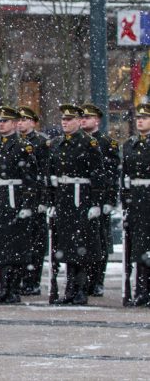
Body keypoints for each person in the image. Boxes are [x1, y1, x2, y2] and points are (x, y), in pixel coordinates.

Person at [46, 103, 109, 306]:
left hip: (81, 199)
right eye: (63, 120)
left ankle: (81, 290)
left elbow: (98, 175)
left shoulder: (88, 143)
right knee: (66, 247)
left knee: (81, 248)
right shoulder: (56, 144)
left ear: (78, 122)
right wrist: (51, 201)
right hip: (64, 199)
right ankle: (69, 289)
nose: (65, 123)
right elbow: (51, 176)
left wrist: (96, 203)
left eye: (69, 119)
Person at [0, 105, 38, 304]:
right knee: (0, 249)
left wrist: (27, 205)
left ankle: (13, 289)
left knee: (15, 250)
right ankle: (4, 289)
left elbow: (31, 180)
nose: (1, 124)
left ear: (14, 124)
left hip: (15, 202)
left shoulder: (23, 147)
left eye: (5, 121)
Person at [80, 102, 120, 297]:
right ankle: (83, 281)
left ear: (97, 120)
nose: (84, 120)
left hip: (99, 198)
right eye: (83, 117)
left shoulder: (106, 143)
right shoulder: (78, 141)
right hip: (82, 197)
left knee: (99, 242)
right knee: (82, 242)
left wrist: (109, 200)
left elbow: (111, 175)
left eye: (88, 117)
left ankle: (97, 281)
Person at [17, 106, 50, 296]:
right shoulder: (16, 141)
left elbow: (44, 173)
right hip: (19, 197)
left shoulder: (40, 143)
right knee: (20, 241)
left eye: (24, 120)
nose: (20, 123)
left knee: (35, 243)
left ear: (32, 122)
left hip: (35, 197)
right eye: (19, 120)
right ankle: (22, 278)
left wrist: (43, 199)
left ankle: (32, 280)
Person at [122, 103, 150, 306]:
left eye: (145, 118)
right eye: (138, 117)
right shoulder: (130, 144)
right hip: (137, 201)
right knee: (138, 247)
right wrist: (126, 201)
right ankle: (141, 291)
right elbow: (126, 177)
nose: (140, 120)